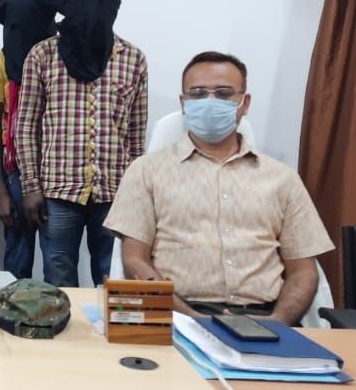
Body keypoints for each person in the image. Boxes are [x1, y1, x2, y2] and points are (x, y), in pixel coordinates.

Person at [104, 52, 333, 325]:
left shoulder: (283, 178)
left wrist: (278, 322)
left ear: (245, 103)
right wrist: (193, 319)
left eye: (224, 93)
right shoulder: (146, 171)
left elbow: (304, 271)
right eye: (198, 93)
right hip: (177, 318)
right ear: (184, 103)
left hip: (267, 319)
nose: (210, 102)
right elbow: (135, 261)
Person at [14, 0, 147, 287]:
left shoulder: (133, 59)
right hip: (57, 192)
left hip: (114, 193)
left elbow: (136, 135)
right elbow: (26, 127)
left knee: (112, 278)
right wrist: (31, 187)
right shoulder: (43, 56)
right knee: (58, 278)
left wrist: (136, 195)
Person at [0, 0, 58, 279]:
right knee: (17, 262)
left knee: (57, 261)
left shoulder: (61, 60)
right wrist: (0, 192)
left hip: (56, 172)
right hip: (15, 175)